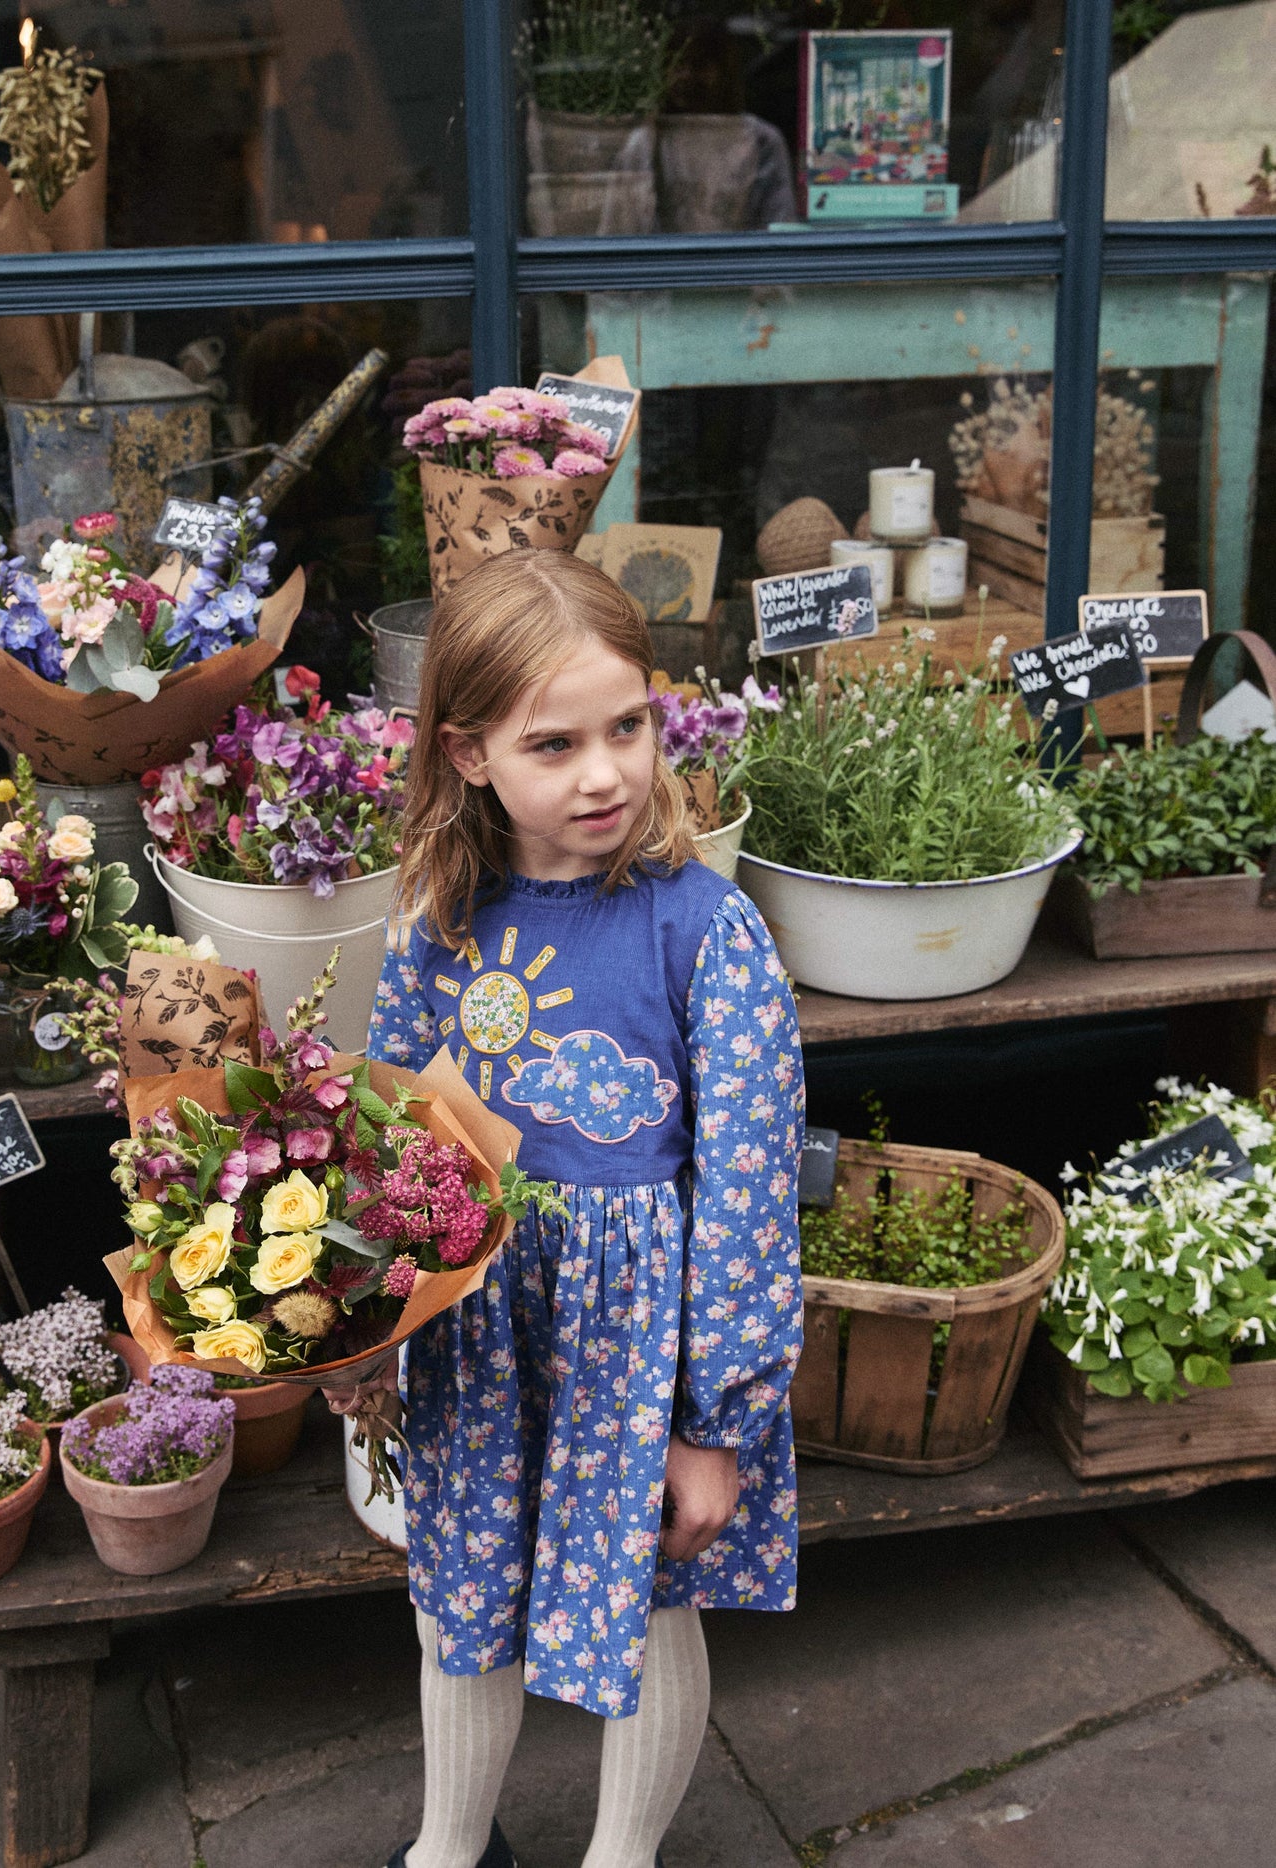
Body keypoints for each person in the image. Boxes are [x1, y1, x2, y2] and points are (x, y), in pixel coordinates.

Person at [365, 548, 804, 1868]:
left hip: (639, 1348)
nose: (605, 771)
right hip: (477, 1338)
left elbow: (746, 1194)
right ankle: (451, 1846)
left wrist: (711, 1421)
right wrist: (359, 1326)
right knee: (461, 1597)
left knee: (654, 1598)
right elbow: (393, 1145)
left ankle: (624, 1856)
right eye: (553, 742)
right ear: (470, 753)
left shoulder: (703, 929)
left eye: (629, 726)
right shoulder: (434, 928)